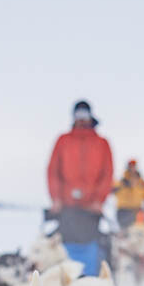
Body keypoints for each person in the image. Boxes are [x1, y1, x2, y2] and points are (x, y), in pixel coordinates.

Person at [47, 100, 114, 271]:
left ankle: (91, 278)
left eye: (84, 114)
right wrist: (56, 199)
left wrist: (99, 200)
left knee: (91, 246)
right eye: (78, 115)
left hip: (91, 209)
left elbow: (107, 174)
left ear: (91, 116)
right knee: (65, 244)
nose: (81, 118)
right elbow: (53, 171)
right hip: (66, 207)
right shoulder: (63, 140)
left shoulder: (102, 143)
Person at [113, 158, 144, 230]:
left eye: (134, 166)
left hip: (137, 211)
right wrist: (124, 185)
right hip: (123, 211)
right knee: (126, 228)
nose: (133, 168)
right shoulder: (121, 182)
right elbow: (111, 189)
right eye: (131, 166)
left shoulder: (142, 183)